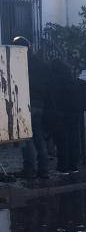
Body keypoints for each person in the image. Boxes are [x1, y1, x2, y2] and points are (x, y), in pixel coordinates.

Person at [13, 37, 51, 180]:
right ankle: (44, 169)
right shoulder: (41, 64)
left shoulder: (20, 63)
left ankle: (29, 169)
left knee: (27, 138)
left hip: (26, 103)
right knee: (39, 137)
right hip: (40, 104)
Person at [51, 60, 86, 175]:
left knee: (63, 141)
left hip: (62, 114)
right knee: (74, 138)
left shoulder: (57, 81)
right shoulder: (75, 82)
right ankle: (73, 165)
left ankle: (63, 167)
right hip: (76, 114)